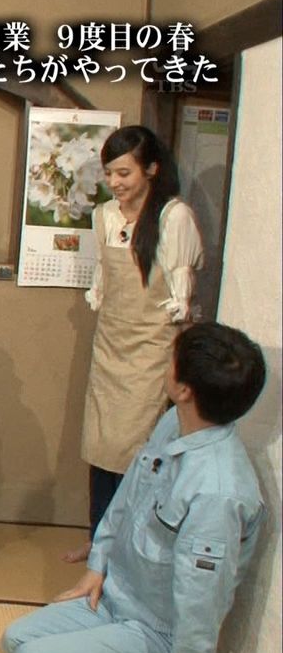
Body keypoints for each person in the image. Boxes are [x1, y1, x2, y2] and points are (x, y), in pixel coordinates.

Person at [3, 322, 266, 653]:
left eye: (171, 358)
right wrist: (97, 566)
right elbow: (127, 498)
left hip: (158, 634)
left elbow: (201, 608)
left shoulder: (218, 493)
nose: (164, 362)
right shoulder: (174, 422)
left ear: (185, 390)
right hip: (117, 597)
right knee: (15, 640)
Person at [66, 125, 205, 563]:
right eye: (109, 173)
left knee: (138, 452)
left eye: (123, 173)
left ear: (151, 169)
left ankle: (125, 549)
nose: (115, 182)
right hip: (110, 344)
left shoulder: (173, 217)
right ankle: (98, 539)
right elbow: (104, 281)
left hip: (151, 350)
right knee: (101, 446)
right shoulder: (105, 215)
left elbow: (181, 299)